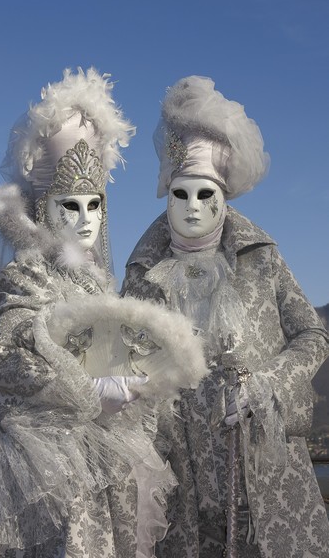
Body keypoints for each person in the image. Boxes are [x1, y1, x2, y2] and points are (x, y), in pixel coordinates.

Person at [0, 68, 177, 558]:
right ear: (43, 209)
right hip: (38, 477)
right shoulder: (25, 278)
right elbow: (6, 364)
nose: (84, 220)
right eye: (68, 206)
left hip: (98, 471)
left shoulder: (98, 285)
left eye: (93, 205)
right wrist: (91, 389)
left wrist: (139, 381)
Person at [121, 75, 329, 557]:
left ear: (224, 196)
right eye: (182, 193)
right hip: (181, 479)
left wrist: (269, 383)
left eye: (205, 194)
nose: (193, 207)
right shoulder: (140, 275)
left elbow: (312, 333)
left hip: (259, 469)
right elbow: (125, 365)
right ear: (166, 192)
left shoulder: (261, 257)